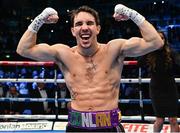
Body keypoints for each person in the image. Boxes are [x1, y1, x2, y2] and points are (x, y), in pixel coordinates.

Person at [17, 4, 163, 132]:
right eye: (79, 24)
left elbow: (155, 42)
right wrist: (40, 19)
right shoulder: (64, 53)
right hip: (76, 126)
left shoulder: (114, 49)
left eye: (90, 23)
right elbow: (23, 49)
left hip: (109, 126)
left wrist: (131, 14)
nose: (85, 27)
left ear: (98, 29)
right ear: (73, 31)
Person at [139, 31, 179, 132]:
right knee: (160, 119)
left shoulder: (171, 53)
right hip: (156, 90)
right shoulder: (149, 53)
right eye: (158, 38)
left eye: (162, 38)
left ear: (165, 40)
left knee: (173, 119)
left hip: (170, 90)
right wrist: (147, 45)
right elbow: (139, 63)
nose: (160, 41)